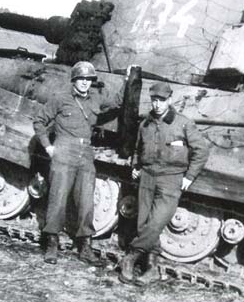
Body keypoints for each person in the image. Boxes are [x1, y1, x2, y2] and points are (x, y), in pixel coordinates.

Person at [33, 61, 126, 266]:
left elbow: (117, 102)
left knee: (86, 201)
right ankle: (52, 243)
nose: (85, 83)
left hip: (86, 152)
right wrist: (48, 146)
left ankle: (85, 247)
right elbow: (39, 121)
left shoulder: (95, 98)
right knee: (58, 198)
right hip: (64, 149)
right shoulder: (60, 99)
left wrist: (129, 80)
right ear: (74, 80)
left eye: (88, 79)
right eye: (81, 79)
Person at [119, 82, 209, 286]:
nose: (157, 104)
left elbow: (201, 151)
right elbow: (138, 148)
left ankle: (130, 257)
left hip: (171, 178)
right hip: (147, 176)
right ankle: (152, 269)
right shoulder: (145, 124)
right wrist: (136, 165)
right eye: (154, 100)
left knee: (156, 222)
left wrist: (189, 176)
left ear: (169, 100)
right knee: (143, 223)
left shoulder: (183, 123)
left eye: (161, 100)